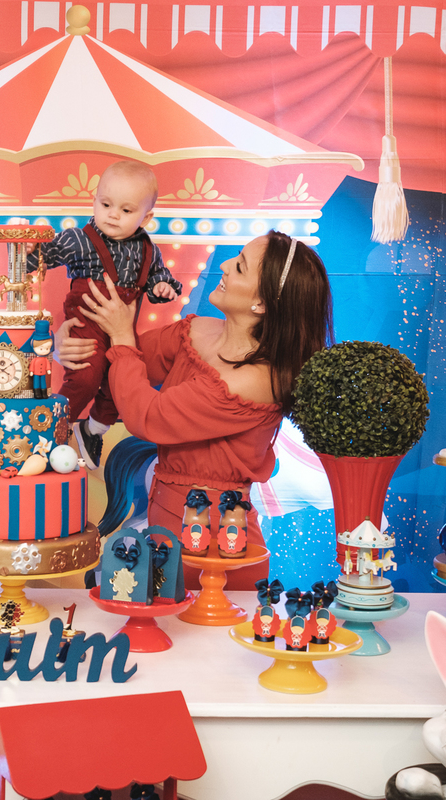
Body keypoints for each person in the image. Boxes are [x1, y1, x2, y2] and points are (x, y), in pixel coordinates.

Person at [63, 230, 334, 587]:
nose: (225, 265)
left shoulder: (255, 381)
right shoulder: (200, 331)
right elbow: (124, 365)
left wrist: (122, 336)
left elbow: (149, 417)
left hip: (217, 546)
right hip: (165, 531)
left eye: (239, 267)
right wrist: (74, 344)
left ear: (262, 303)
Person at [28, 160, 182, 469]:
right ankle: (49, 427)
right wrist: (32, 251)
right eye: (106, 204)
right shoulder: (79, 239)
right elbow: (44, 256)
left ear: (146, 217)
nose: (113, 214)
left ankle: (93, 430)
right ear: (94, 201)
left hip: (122, 329)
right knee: (86, 376)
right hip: (87, 321)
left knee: (122, 383)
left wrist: (162, 287)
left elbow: (158, 278)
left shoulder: (149, 250)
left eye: (126, 210)